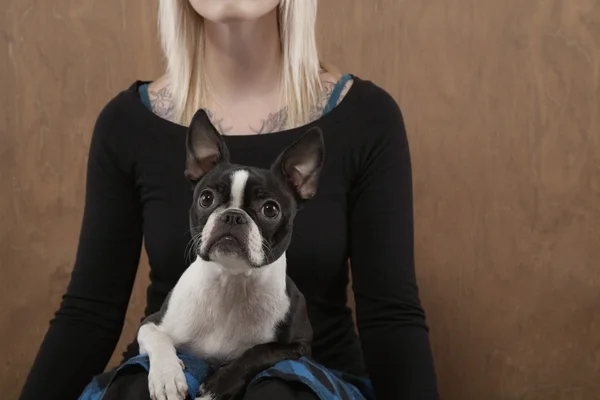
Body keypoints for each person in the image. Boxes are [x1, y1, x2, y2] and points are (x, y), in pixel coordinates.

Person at [19, 1, 439, 399]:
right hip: (165, 378)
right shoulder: (126, 123)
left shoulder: (368, 117)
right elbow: (89, 313)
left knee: (276, 393)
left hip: (305, 381)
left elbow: (391, 317)